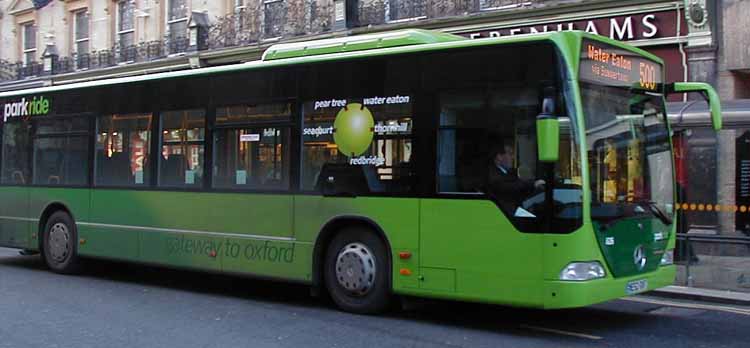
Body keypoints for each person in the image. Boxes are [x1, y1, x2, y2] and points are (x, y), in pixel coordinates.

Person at [487, 144, 545, 215]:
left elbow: (520, 187)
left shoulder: (510, 172)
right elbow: (510, 186)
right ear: (499, 157)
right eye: (510, 154)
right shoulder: (493, 174)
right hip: (506, 214)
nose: (513, 157)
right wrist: (533, 184)